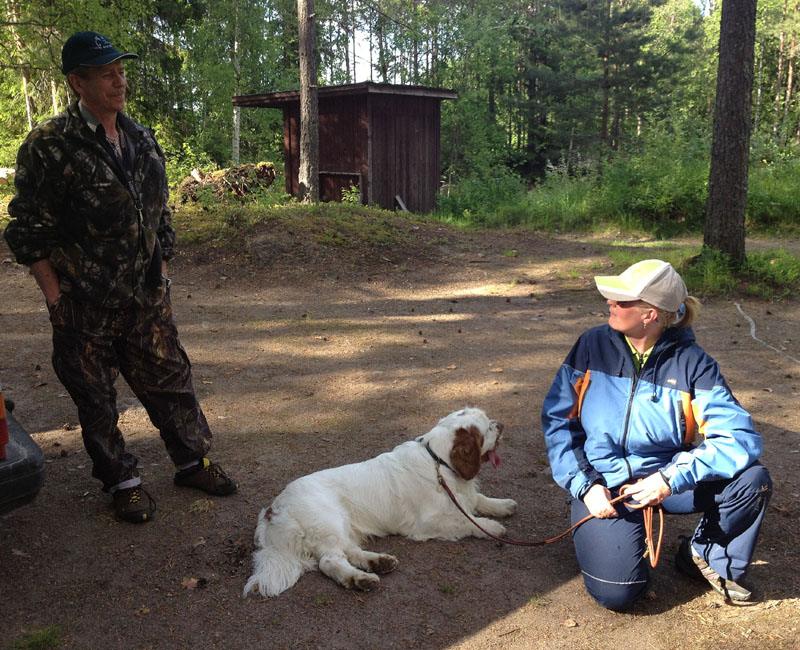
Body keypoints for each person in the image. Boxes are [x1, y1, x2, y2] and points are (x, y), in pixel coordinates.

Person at [3, 31, 238, 524]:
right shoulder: (50, 145)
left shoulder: (140, 137)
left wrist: (163, 275)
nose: (119, 80)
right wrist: (55, 299)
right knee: (97, 401)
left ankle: (193, 462)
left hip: (145, 298)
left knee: (171, 381)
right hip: (84, 303)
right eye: (107, 73)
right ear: (78, 82)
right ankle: (123, 482)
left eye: (121, 70)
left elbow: (160, 215)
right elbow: (27, 229)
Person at [541, 259, 772, 610]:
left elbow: (740, 437)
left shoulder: (695, 364)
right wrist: (585, 485)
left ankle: (703, 554)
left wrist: (669, 478)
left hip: (667, 479)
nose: (610, 304)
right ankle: (619, 548)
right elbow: (559, 420)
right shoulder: (591, 345)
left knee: (753, 479)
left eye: (621, 301)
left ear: (650, 314)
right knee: (619, 595)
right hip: (605, 485)